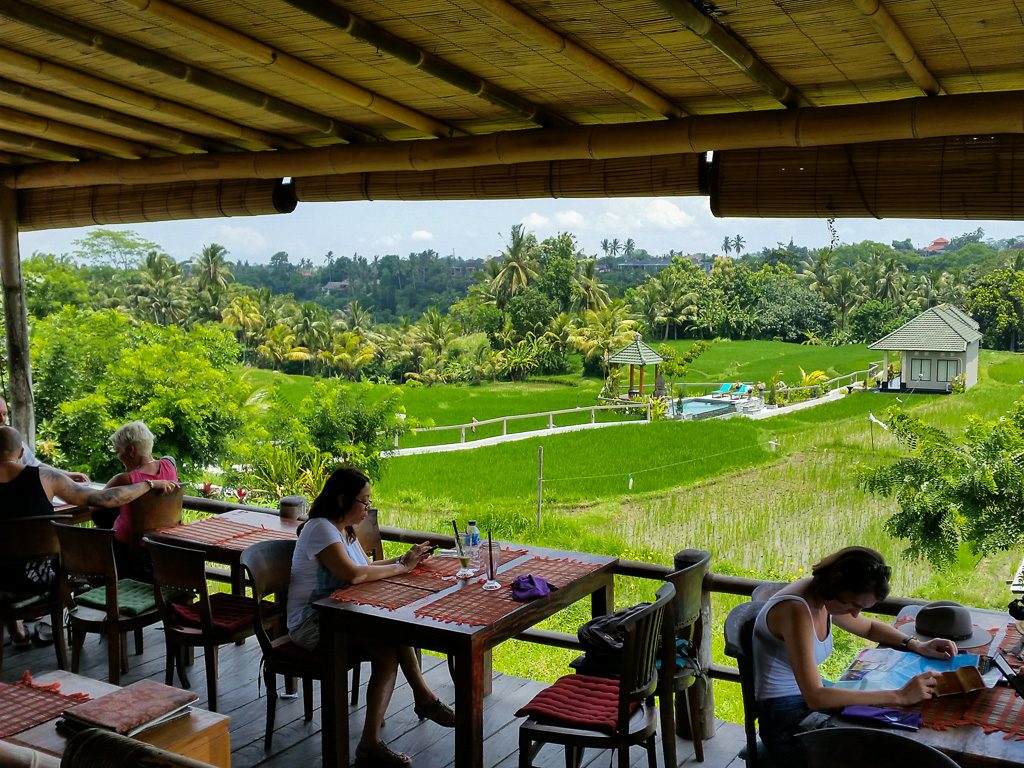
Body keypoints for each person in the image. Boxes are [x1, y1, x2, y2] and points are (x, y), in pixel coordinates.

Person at [287, 467, 454, 767]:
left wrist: (407, 560)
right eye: (364, 502)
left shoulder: (344, 529)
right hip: (313, 623)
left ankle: (378, 736)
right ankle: (418, 703)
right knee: (390, 643)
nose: (368, 507)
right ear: (342, 500)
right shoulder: (320, 529)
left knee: (394, 637)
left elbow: (366, 567)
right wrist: (402, 569)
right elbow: (354, 575)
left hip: (342, 616)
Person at [753, 546, 957, 767]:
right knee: (884, 745)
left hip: (806, 702)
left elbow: (869, 628)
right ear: (836, 585)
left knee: (895, 721)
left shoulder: (823, 596)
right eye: (853, 604)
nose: (855, 614)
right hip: (786, 720)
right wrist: (899, 695)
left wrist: (916, 645)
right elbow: (816, 697)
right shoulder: (796, 610)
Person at [0, 426, 178, 646]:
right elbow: (103, 500)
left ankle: (17, 631)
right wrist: (148, 484)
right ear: (20, 453)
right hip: (43, 578)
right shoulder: (46, 477)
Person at [101, 421, 179, 577]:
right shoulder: (169, 465)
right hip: (162, 544)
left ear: (130, 450)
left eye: (118, 450)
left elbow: (95, 503)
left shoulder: (125, 479)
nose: (118, 456)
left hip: (128, 547)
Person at [0, 396, 89, 483]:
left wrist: (67, 475)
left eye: (4, 414)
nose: (2, 418)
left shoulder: (13, 441)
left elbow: (37, 466)